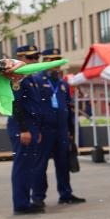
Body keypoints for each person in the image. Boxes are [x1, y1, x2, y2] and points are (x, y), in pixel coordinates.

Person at [32, 52, 85, 206]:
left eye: (58, 63)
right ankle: (38, 197)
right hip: (44, 129)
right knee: (40, 165)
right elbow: (34, 106)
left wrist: (70, 131)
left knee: (63, 164)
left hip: (61, 130)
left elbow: (68, 108)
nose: (57, 67)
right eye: (54, 63)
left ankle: (66, 194)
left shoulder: (62, 83)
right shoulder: (37, 80)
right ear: (46, 63)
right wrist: (36, 129)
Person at [7, 45, 47, 215]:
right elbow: (15, 104)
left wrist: (36, 129)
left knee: (29, 166)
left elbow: (35, 107)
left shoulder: (31, 79)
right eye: (30, 58)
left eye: (36, 57)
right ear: (20, 58)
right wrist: (24, 129)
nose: (34, 61)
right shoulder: (17, 78)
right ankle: (21, 204)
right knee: (22, 166)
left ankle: (25, 200)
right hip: (21, 125)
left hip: (31, 126)